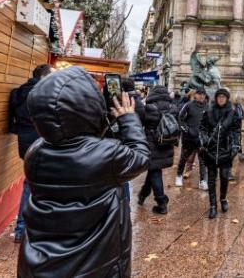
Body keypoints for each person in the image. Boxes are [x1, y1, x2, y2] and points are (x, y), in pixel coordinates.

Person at [17, 66, 150, 278]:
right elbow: (141, 156)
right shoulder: (107, 155)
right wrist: (128, 118)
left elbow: (77, 138)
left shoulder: (36, 152)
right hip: (95, 265)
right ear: (87, 107)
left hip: (40, 263)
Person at [8, 64, 52, 243]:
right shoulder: (44, 93)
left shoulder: (18, 92)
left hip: (24, 144)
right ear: (43, 77)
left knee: (31, 183)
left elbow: (12, 120)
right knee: (39, 185)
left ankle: (21, 229)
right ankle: (30, 229)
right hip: (41, 141)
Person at [200, 88, 241, 219]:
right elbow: (202, 128)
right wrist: (204, 139)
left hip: (226, 149)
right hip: (211, 150)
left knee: (224, 177)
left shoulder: (232, 112)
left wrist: (235, 145)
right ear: (216, 98)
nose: (221, 99)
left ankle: (223, 198)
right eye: (219, 97)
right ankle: (212, 205)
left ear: (227, 98)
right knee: (211, 179)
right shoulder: (209, 111)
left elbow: (236, 130)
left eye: (224, 97)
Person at [139, 85, 178, 214]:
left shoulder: (149, 108)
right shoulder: (173, 107)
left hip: (152, 143)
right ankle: (143, 194)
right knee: (154, 169)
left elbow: (141, 122)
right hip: (167, 142)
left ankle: (161, 202)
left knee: (155, 170)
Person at [176, 88, 208, 188]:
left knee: (202, 160)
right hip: (189, 138)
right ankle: (179, 176)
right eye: (199, 94)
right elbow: (180, 119)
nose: (201, 96)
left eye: (203, 94)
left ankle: (202, 181)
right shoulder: (188, 105)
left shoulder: (208, 107)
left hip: (202, 138)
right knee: (184, 158)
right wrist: (186, 130)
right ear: (195, 95)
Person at [234, 94, 244, 162]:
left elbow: (241, 115)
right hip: (234, 127)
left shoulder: (239, 106)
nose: (241, 100)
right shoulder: (234, 106)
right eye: (239, 98)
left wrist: (243, 116)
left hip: (239, 126)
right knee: (236, 142)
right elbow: (234, 117)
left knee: (238, 141)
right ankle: (238, 155)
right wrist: (241, 117)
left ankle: (240, 155)